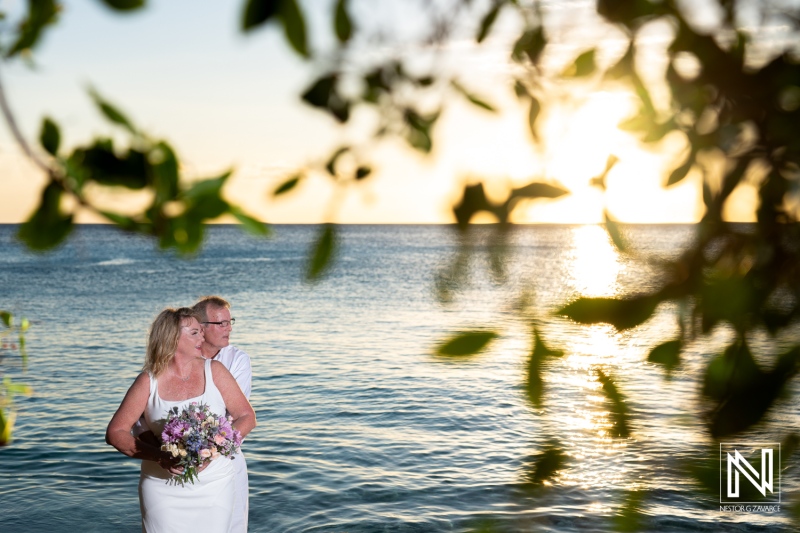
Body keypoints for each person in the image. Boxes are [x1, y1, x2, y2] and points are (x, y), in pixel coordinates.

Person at [106, 307, 256, 532]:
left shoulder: (215, 370)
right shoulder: (148, 381)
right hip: (161, 488)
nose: (203, 336)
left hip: (215, 485)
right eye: (195, 332)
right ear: (174, 338)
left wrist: (216, 447)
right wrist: (160, 456)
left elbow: (247, 417)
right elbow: (115, 433)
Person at [192, 296, 252, 533]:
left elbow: (235, 417)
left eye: (230, 322)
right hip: (187, 460)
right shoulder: (180, 360)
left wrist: (208, 453)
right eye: (221, 323)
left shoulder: (237, 359)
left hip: (226, 458)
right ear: (201, 328)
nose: (229, 328)